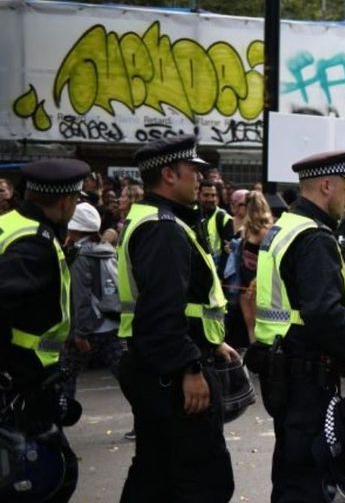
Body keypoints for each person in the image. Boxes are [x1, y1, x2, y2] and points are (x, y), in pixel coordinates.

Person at [115, 135, 237, 502]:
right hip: (170, 374)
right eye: (193, 171)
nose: (200, 179)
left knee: (155, 474)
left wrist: (213, 341)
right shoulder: (163, 228)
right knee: (203, 481)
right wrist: (190, 367)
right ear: (169, 174)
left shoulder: (153, 219)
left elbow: (183, 302)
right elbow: (162, 310)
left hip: (154, 365)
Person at [250, 149, 345, 502]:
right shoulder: (314, 237)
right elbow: (324, 312)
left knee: (290, 473)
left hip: (283, 367)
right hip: (306, 373)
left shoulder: (285, 227)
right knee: (308, 480)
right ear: (327, 186)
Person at [0, 158, 90, 503]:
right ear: (65, 201)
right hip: (22, 381)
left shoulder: (10, 223)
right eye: (76, 199)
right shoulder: (34, 244)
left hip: (24, 381)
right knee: (41, 479)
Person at [60, 202, 124, 400]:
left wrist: (80, 333)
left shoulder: (79, 256)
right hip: (110, 323)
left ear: (75, 229)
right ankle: (149, 413)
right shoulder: (106, 249)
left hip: (88, 328)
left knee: (65, 379)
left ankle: (62, 416)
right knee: (126, 377)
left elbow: (81, 296)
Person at [222, 191, 273, 350]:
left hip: (256, 281)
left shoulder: (266, 231)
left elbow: (269, 260)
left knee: (258, 323)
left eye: (244, 205)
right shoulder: (247, 229)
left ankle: (259, 353)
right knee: (249, 322)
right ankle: (253, 353)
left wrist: (256, 281)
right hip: (244, 281)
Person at [199, 179, 235, 270]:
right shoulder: (192, 215)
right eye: (206, 195)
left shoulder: (224, 218)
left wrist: (220, 274)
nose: (210, 199)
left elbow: (227, 252)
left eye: (213, 195)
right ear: (198, 195)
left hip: (216, 268)